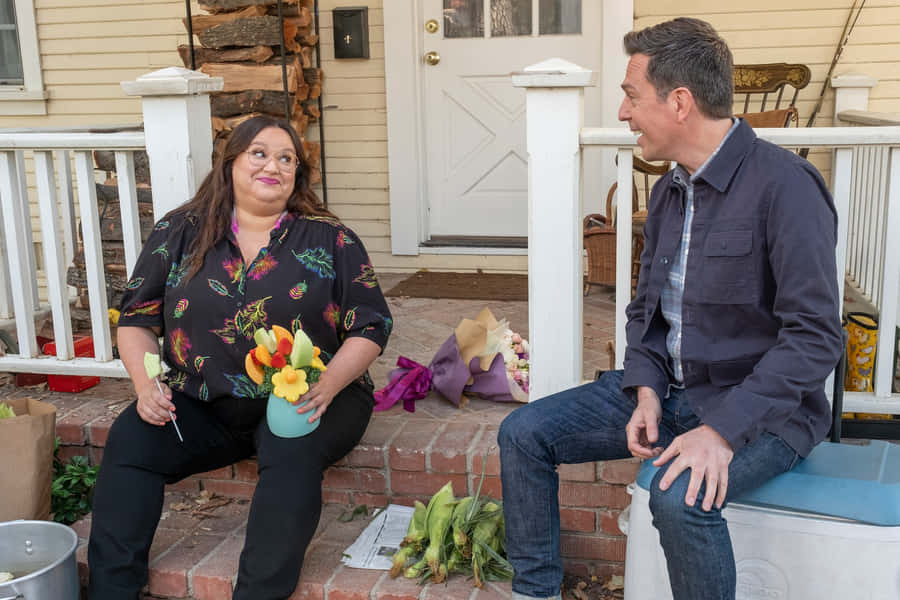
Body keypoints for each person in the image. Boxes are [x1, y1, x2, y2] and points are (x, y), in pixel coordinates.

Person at [498, 17, 842, 600]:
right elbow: (647, 313)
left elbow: (814, 338)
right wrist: (647, 389)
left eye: (632, 96)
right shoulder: (668, 191)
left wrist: (723, 433)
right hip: (674, 395)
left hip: (762, 415)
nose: (625, 113)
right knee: (523, 433)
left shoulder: (786, 188)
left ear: (679, 102)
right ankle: (536, 592)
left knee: (678, 498)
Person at [87, 115, 393, 599]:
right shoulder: (179, 231)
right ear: (230, 162)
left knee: (289, 451)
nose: (273, 165)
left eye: (286, 158)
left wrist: (328, 386)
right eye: (260, 153)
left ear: (297, 174)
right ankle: (112, 591)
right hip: (206, 398)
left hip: (314, 397)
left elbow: (372, 326)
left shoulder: (331, 239)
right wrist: (146, 387)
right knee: (132, 440)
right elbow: (137, 319)